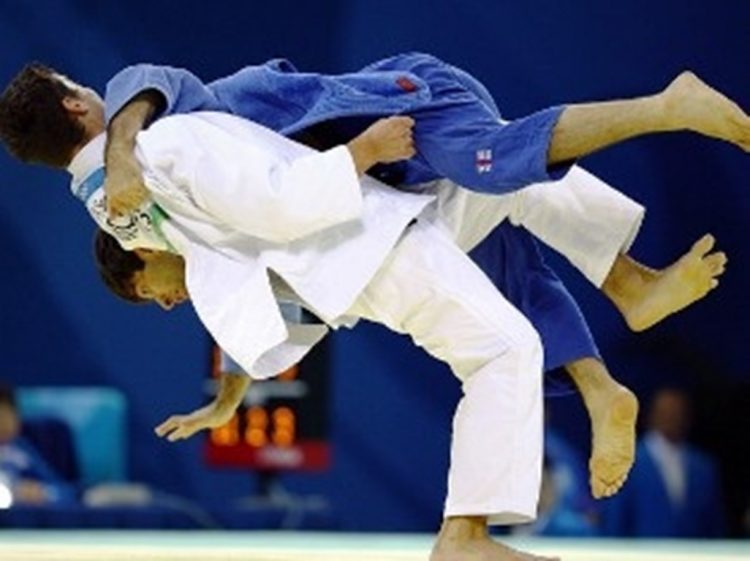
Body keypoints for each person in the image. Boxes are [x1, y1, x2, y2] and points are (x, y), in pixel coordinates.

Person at [0, 61, 731, 501]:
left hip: (392, 112)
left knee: (497, 164)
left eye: (149, 290)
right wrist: (225, 398)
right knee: (501, 241)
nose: (166, 301)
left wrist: (121, 151)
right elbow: (251, 294)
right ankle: (610, 359)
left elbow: (139, 91)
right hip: (389, 184)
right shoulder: (152, 216)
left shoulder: (151, 132)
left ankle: (667, 108)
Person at [601, 388, 726, 537]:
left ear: (687, 417)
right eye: (666, 412)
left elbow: (714, 525)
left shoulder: (703, 467)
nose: (672, 418)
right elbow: (615, 521)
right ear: (653, 415)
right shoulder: (625, 462)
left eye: (677, 413)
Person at [0, 384, 76, 506]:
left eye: (8, 416)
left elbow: (63, 491)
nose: (3, 424)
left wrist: (44, 493)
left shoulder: (23, 451)